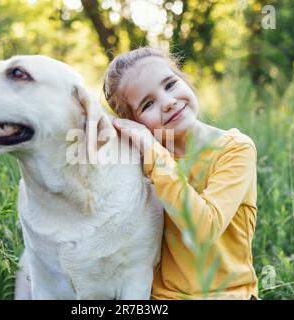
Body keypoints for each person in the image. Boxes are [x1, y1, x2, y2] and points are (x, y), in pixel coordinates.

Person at [103, 47, 258, 300]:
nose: (168, 102)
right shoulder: (140, 162)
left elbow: (204, 229)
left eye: (170, 84)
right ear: (135, 124)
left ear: (184, 79)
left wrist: (152, 151)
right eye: (148, 104)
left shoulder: (234, 149)